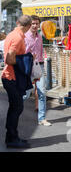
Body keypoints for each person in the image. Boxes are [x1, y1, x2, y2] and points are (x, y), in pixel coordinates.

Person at [1, 15, 32, 148]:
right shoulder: (18, 37)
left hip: (9, 77)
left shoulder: (12, 34)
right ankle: (12, 139)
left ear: (18, 22)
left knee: (15, 107)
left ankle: (12, 136)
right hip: (11, 77)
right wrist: (24, 60)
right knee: (17, 108)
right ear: (28, 26)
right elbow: (9, 59)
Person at [25, 15, 51, 127]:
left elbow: (41, 51)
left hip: (39, 66)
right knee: (25, 94)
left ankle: (42, 118)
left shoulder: (40, 37)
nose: (35, 26)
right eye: (33, 23)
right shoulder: (25, 36)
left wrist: (42, 60)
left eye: (37, 23)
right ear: (29, 24)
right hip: (28, 66)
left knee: (42, 92)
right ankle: (14, 115)